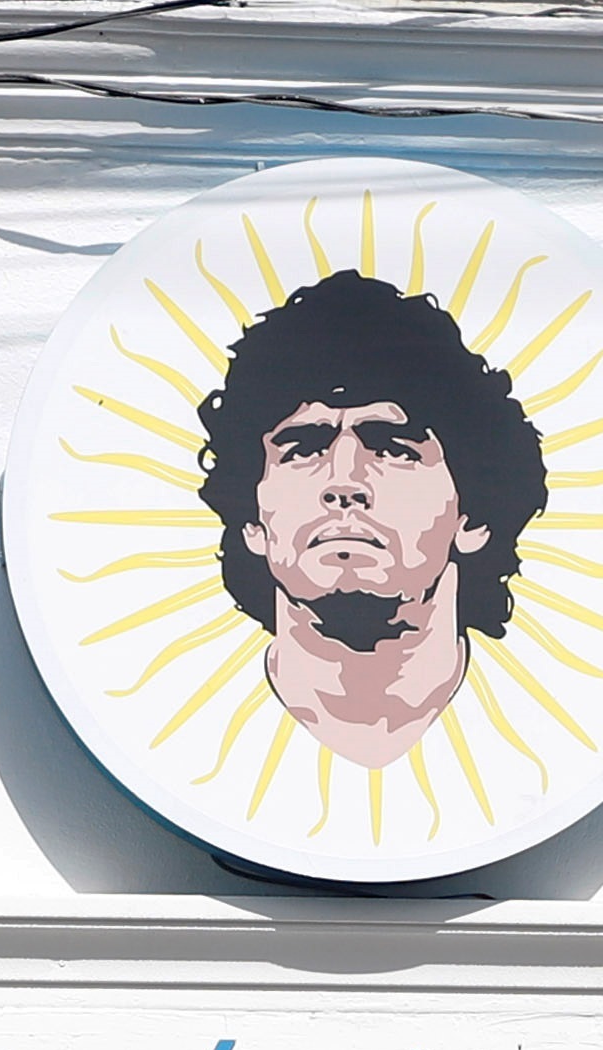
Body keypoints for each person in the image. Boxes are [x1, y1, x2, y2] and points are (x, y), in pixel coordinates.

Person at [197, 269, 549, 773]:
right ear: (251, 519)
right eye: (302, 448)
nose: (344, 482)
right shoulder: (196, 742)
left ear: (474, 516)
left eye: (391, 447)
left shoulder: (537, 739)